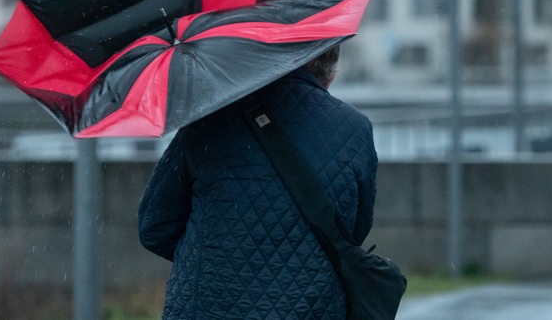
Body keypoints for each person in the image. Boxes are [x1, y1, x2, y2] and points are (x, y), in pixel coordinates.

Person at [138, 45, 378, 319]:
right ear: (331, 73)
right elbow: (354, 231)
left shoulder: (210, 115)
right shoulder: (355, 129)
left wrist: (220, 256)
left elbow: (154, 227)